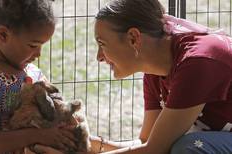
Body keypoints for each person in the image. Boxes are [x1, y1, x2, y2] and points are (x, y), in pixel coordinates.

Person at [92, 0, 232, 153]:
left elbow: (154, 150)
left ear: (133, 37)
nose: (99, 57)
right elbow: (146, 142)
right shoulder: (154, 72)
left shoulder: (197, 61)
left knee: (188, 148)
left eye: (102, 44)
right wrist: (90, 144)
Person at [0, 0, 77, 153]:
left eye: (41, 46)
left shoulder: (33, 72)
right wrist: (39, 136)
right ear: (3, 35)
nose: (39, 54)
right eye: (33, 45)